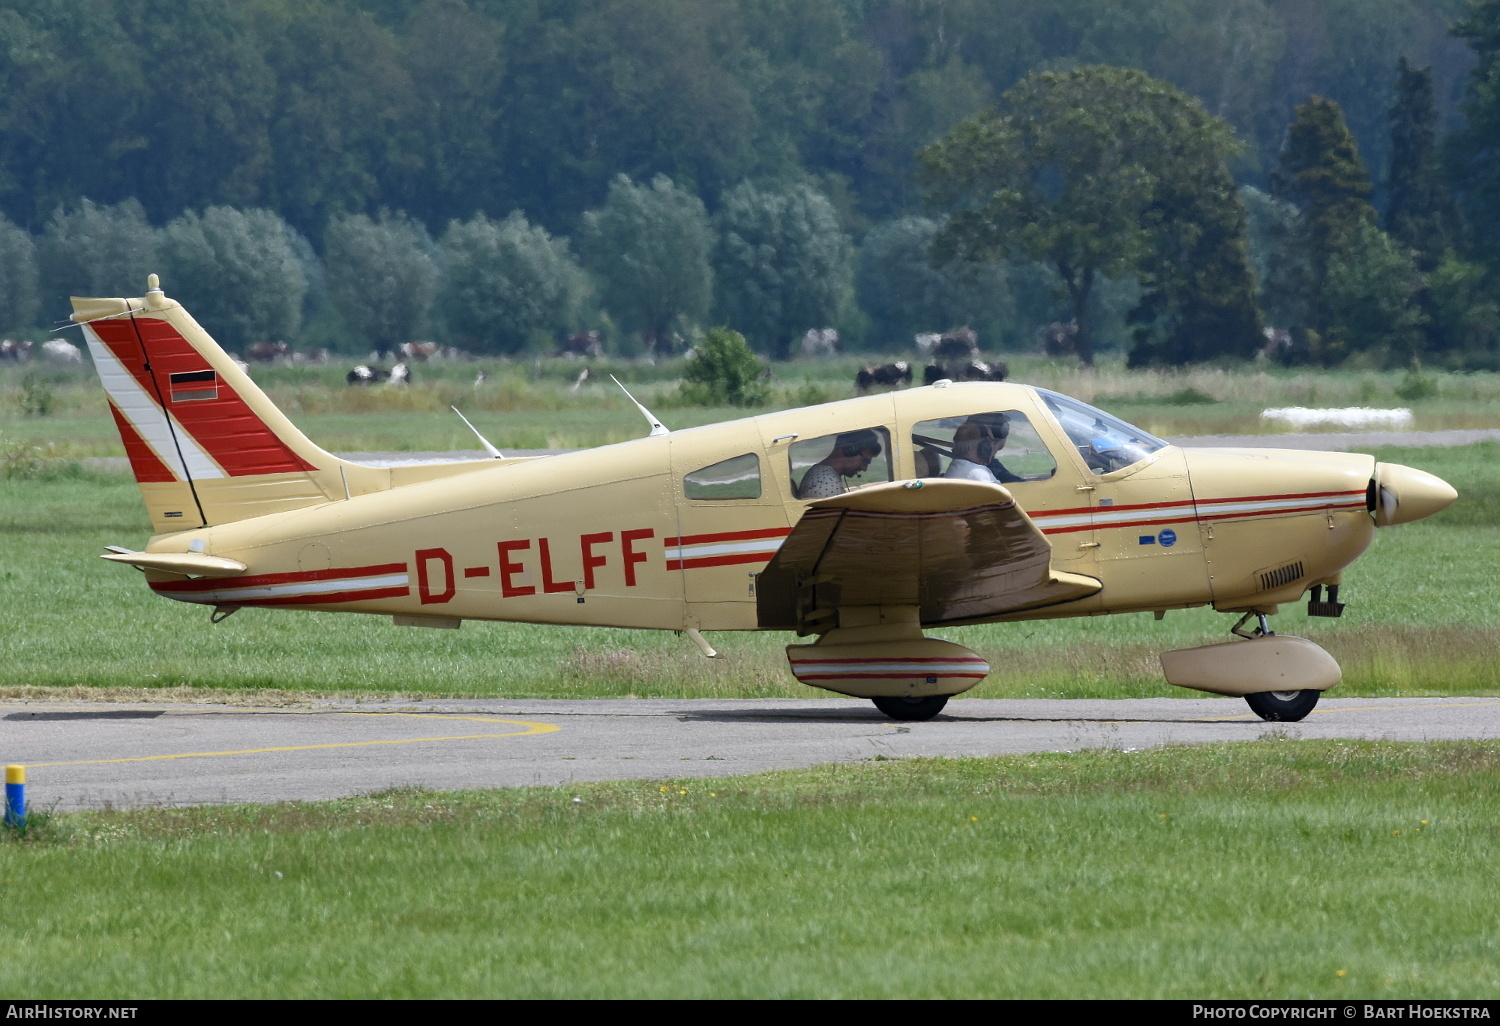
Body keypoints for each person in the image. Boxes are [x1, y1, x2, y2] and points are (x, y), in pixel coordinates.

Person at [797, 429, 882, 498]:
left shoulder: (825, 476)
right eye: (865, 461)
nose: (864, 468)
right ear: (850, 450)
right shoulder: (827, 482)